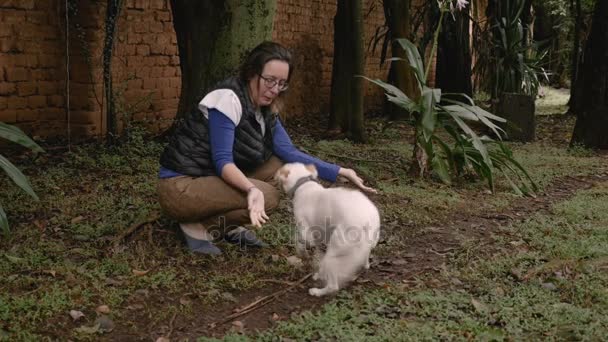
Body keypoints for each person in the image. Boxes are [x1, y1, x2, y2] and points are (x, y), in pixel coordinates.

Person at [157, 41, 376, 255]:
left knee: (280, 168)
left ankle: (225, 224)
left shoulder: (265, 108)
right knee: (268, 195)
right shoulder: (228, 99)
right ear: (252, 72)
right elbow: (222, 161)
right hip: (181, 186)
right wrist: (252, 189)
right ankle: (199, 226)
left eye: (281, 83)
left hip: (208, 177)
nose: (274, 90)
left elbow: (288, 152)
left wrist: (339, 171)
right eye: (269, 80)